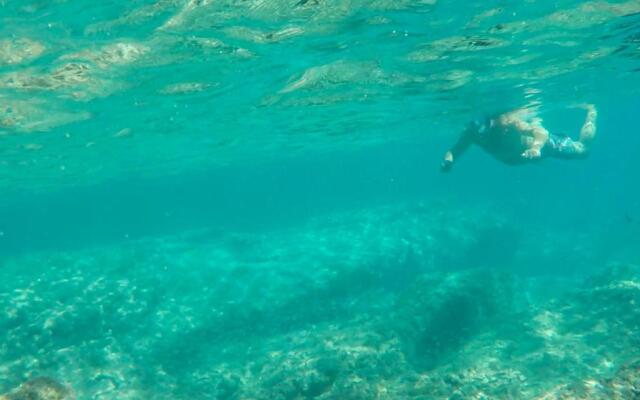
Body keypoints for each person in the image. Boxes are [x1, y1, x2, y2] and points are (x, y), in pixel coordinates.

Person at [440, 104, 597, 172]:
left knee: (583, 151)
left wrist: (535, 148)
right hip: (516, 159)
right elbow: (456, 150)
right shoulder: (471, 134)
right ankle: (537, 119)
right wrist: (448, 161)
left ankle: (591, 113)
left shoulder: (506, 123)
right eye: (474, 131)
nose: (479, 136)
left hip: (547, 146)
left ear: (488, 125)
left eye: (481, 131)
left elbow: (541, 133)